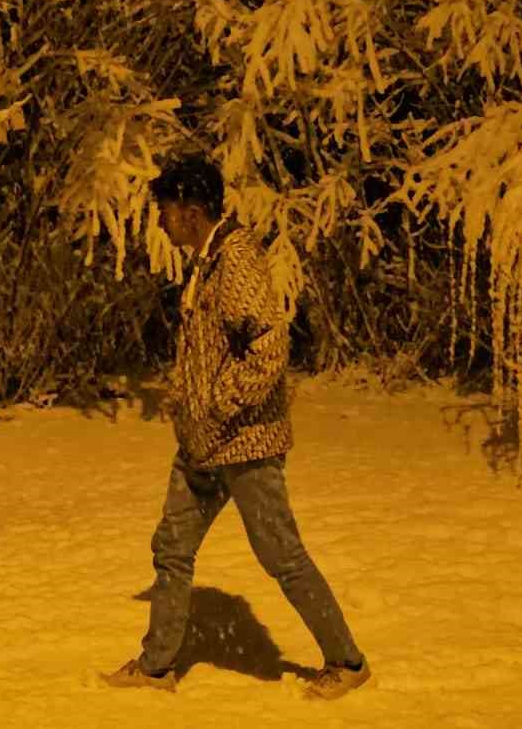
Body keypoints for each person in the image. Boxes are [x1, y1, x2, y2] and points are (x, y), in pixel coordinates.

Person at [101, 154, 371, 700]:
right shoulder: (207, 260)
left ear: (194, 211)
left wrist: (220, 405)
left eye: (167, 211)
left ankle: (347, 662)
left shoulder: (238, 261)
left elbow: (269, 348)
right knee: (172, 548)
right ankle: (157, 668)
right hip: (202, 446)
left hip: (245, 443)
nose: (160, 221)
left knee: (282, 556)